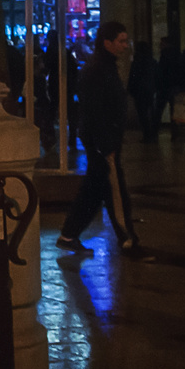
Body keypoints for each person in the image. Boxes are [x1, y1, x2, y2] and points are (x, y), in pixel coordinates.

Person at [56, 21, 139, 255]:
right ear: (108, 43)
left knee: (93, 190)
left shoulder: (103, 68)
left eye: (126, 41)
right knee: (115, 191)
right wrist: (106, 144)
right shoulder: (98, 71)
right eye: (121, 41)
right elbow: (96, 110)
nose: (125, 46)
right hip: (104, 143)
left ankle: (69, 233)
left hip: (102, 140)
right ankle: (128, 238)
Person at [129, 38, 159, 143]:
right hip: (150, 90)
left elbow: (132, 77)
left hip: (139, 91)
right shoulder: (153, 62)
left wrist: (131, 90)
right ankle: (153, 134)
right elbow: (157, 76)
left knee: (143, 114)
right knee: (151, 113)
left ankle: (147, 135)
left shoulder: (137, 62)